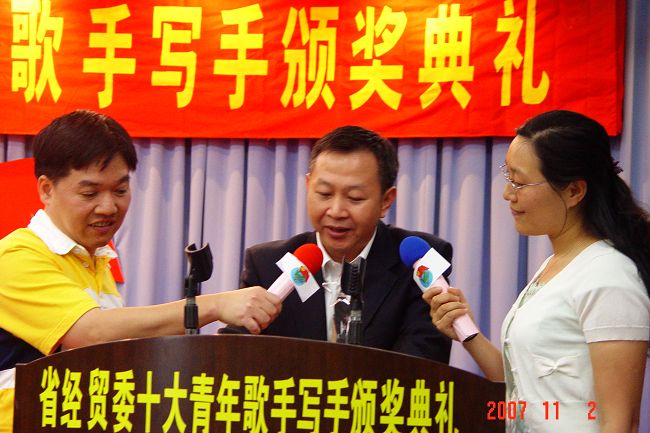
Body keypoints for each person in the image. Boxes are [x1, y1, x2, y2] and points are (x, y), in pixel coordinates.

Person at [0, 110, 282, 433]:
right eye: (90, 193)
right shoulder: (16, 257)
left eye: (120, 190)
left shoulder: (96, 261)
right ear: (46, 189)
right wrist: (214, 306)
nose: (108, 207)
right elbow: (89, 332)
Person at [424, 110, 650, 433]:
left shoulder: (610, 278)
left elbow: (620, 423)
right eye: (508, 177)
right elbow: (523, 391)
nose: (507, 194)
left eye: (519, 182)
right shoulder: (557, 265)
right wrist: (466, 332)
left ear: (574, 191)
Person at [231, 125, 452, 362]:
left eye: (355, 198)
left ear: (386, 201)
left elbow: (422, 364)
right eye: (324, 194)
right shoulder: (266, 265)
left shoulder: (419, 263)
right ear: (308, 187)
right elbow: (232, 355)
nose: (336, 211)